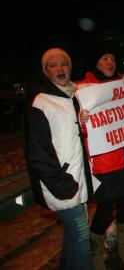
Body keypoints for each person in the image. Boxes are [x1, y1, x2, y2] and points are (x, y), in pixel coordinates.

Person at [23, 48, 94, 270]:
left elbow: (68, 138)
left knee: (74, 238)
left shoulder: (73, 96)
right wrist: (63, 185)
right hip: (62, 185)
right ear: (45, 71)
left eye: (64, 63)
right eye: (53, 65)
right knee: (82, 236)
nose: (60, 68)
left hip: (77, 181)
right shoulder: (41, 102)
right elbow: (38, 153)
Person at [76, 46, 124, 270]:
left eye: (112, 58)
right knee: (104, 210)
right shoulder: (84, 89)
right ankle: (96, 255)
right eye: (104, 58)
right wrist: (82, 120)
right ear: (96, 63)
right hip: (105, 162)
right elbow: (80, 130)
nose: (110, 62)